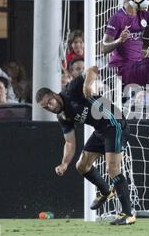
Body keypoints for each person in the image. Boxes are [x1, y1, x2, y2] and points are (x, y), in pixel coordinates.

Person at [36, 66, 135, 225]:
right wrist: (64, 163)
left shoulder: (71, 90)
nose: (50, 107)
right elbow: (69, 142)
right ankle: (105, 191)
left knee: (112, 169)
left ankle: (128, 214)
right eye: (46, 107)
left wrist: (87, 85)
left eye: (50, 102)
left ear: (55, 95)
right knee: (81, 166)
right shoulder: (62, 116)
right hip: (101, 130)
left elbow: (93, 69)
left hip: (115, 123)